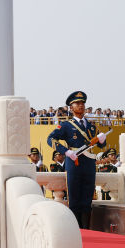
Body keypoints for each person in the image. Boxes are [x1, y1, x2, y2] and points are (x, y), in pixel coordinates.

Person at [46, 91, 106, 229]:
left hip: (89, 163)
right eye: (77, 103)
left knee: (87, 197)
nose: (81, 105)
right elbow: (50, 139)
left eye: (82, 103)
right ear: (71, 108)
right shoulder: (66, 125)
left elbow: (101, 145)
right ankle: (76, 230)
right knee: (74, 197)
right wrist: (66, 151)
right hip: (74, 162)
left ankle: (86, 230)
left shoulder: (91, 126)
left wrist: (102, 140)